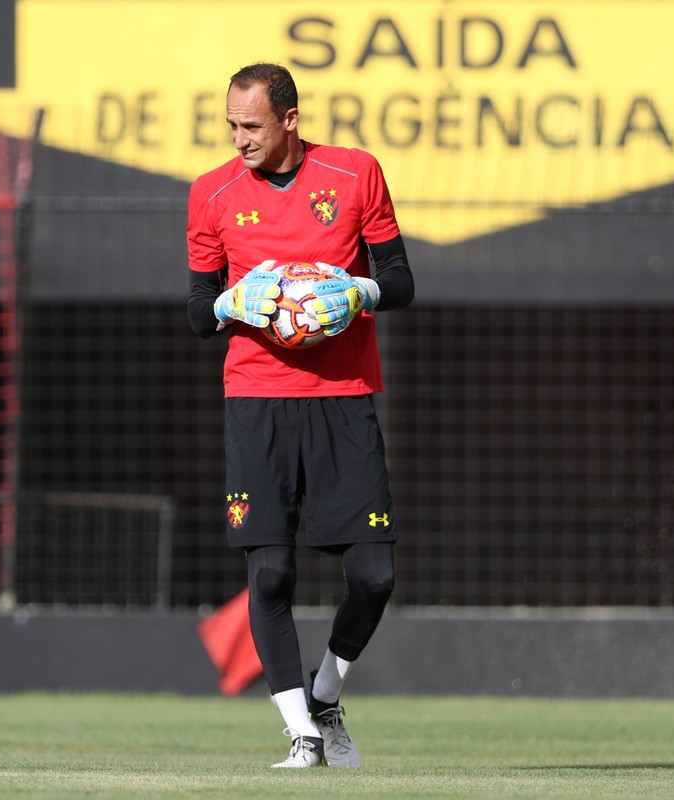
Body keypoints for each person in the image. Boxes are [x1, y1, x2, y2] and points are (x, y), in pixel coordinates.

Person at [186, 62, 415, 769]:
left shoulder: (354, 175)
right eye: (230, 125)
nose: (238, 138)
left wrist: (359, 293)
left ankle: (326, 689)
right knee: (272, 574)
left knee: (375, 575)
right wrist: (230, 304)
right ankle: (303, 735)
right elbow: (199, 314)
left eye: (251, 125)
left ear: (289, 119)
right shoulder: (212, 194)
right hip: (256, 397)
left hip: (344, 397)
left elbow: (401, 280)